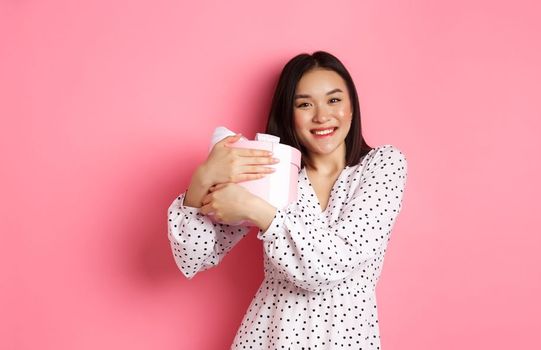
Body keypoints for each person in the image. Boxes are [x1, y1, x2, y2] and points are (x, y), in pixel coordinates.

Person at [167, 50, 407, 349]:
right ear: (288, 113)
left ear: (352, 108)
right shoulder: (270, 169)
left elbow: (333, 264)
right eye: (304, 104)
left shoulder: (382, 165)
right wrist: (203, 178)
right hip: (269, 336)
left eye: (334, 100)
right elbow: (194, 256)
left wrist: (259, 212)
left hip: (345, 338)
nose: (321, 116)